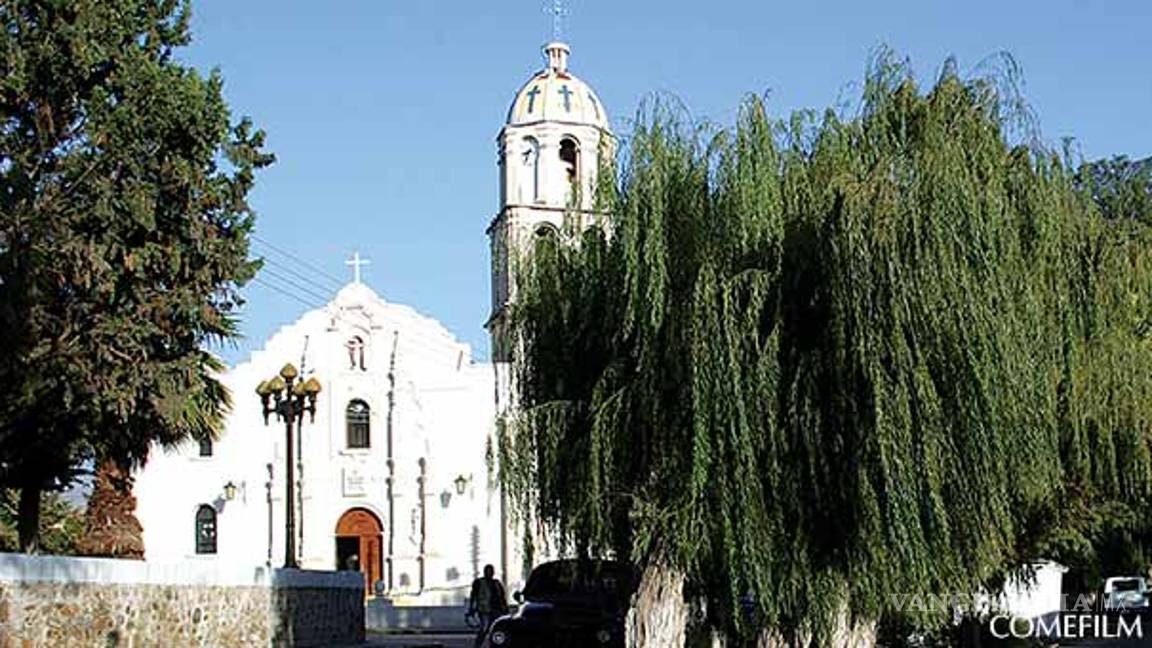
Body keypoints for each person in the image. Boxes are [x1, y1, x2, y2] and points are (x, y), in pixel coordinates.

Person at [467, 564, 507, 646]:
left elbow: (502, 597)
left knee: (496, 630)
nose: (489, 574)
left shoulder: (496, 583)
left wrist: (505, 608)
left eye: (491, 572)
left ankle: (494, 644)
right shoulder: (479, 582)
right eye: (488, 571)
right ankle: (478, 645)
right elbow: (473, 596)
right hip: (484, 610)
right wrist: (471, 608)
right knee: (484, 629)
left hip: (495, 610)